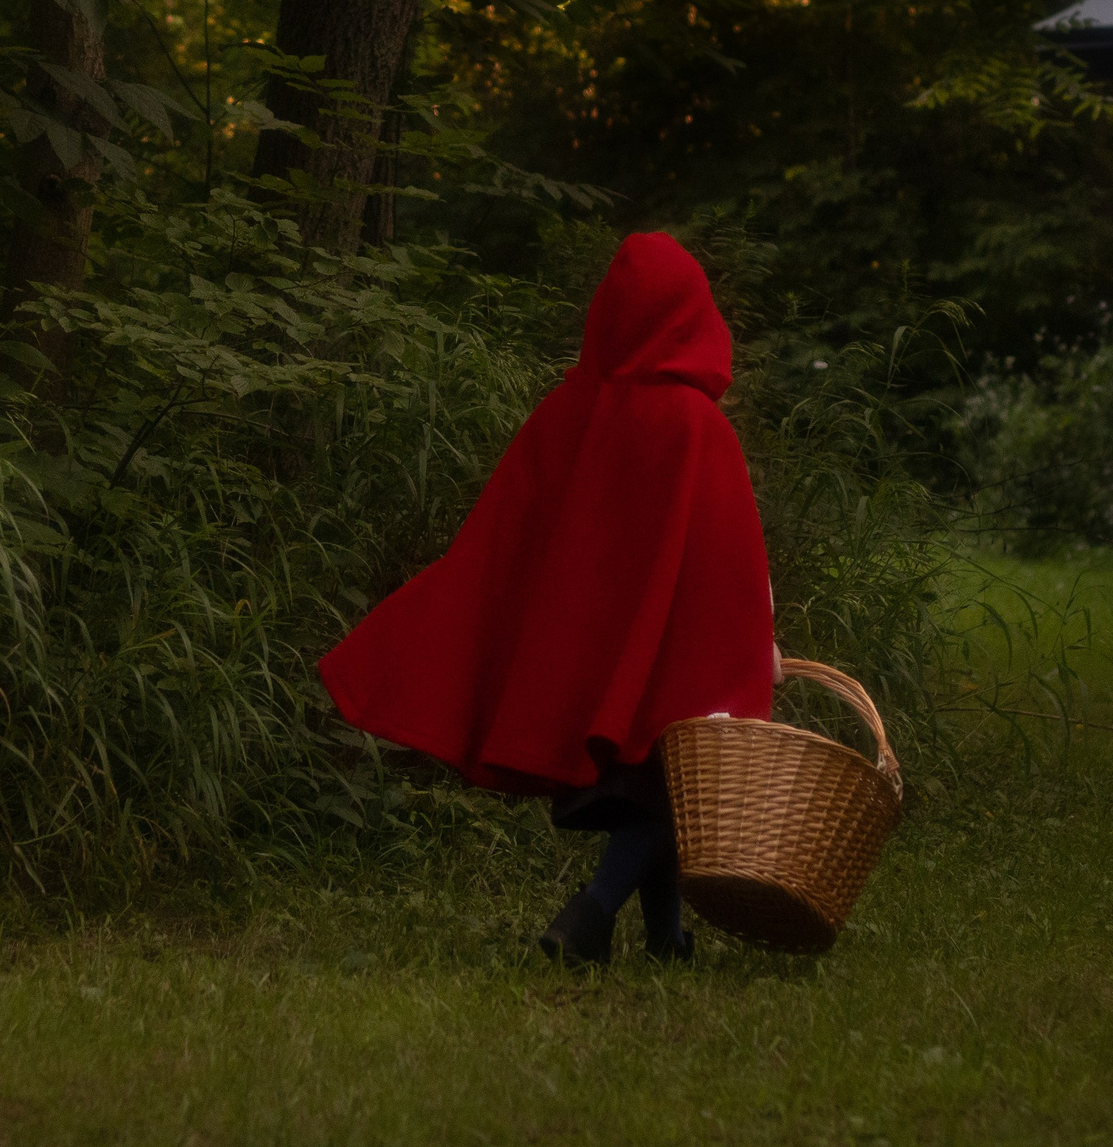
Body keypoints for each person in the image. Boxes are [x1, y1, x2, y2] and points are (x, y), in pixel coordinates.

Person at [319, 231, 777, 965]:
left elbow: (510, 541)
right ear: (692, 314)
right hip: (674, 662)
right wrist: (754, 649)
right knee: (674, 791)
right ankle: (591, 915)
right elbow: (727, 565)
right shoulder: (697, 427)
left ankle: (666, 939)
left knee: (650, 788)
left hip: (598, 665)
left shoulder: (569, 414)